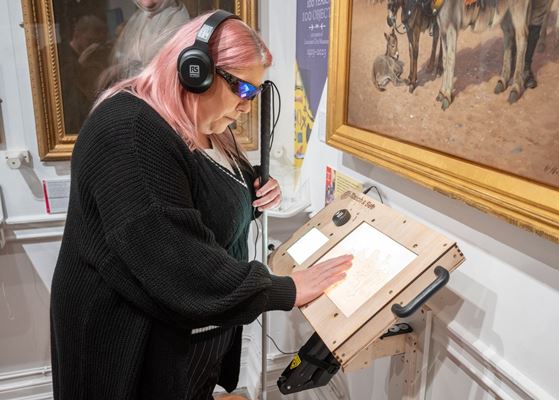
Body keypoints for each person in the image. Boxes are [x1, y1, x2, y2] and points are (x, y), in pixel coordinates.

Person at [50, 10, 353, 400]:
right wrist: (285, 290)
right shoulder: (129, 132)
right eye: (243, 90)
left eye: (256, 94)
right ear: (197, 72)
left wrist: (252, 195)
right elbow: (175, 258)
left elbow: (200, 197)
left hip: (180, 339)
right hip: (127, 340)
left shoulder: (206, 127)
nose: (247, 107)